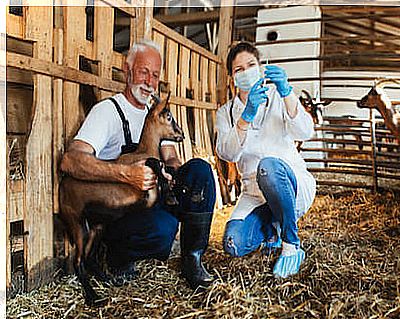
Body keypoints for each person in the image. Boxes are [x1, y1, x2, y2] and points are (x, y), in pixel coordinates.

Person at [60, 40, 216, 289]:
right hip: (120, 209)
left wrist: (172, 171)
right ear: (128, 70)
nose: (149, 82)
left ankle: (193, 259)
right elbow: (71, 161)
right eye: (144, 72)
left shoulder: (155, 114)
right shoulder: (107, 112)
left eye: (155, 75)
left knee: (200, 170)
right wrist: (125, 174)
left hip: (152, 196)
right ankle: (119, 258)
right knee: (162, 230)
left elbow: (171, 156)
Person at [216, 42, 316, 278]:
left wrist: (287, 92)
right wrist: (245, 117)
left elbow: (305, 132)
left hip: (290, 184)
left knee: (268, 167)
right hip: (253, 194)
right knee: (233, 243)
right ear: (232, 77)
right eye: (238, 69)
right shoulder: (226, 112)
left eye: (251, 65)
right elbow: (227, 153)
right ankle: (271, 227)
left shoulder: (277, 96)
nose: (246, 72)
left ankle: (291, 245)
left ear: (261, 69)